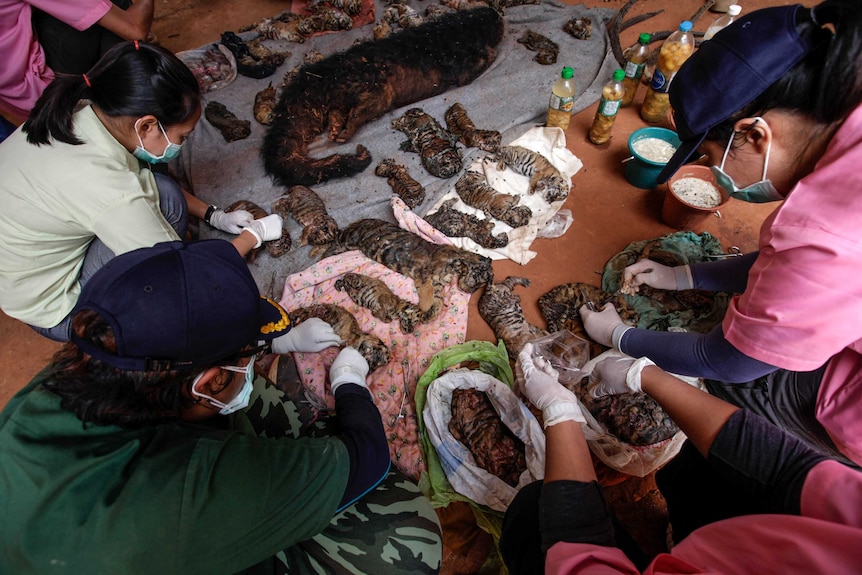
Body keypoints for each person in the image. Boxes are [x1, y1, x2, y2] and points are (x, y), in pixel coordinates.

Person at [0, 239, 443, 574]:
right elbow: (367, 459)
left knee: (248, 407)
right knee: (413, 534)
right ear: (207, 381)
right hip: (158, 537)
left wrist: (274, 340)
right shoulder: (185, 496)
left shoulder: (75, 372)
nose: (253, 362)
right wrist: (349, 383)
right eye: (246, 358)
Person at [578, 0, 862, 465]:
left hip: (851, 408)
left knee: (735, 417)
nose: (711, 170)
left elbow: (728, 361)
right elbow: (789, 266)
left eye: (709, 157)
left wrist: (622, 338)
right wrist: (688, 277)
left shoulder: (826, 235)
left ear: (755, 136)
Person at [0, 40, 281, 342]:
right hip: (60, 308)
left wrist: (215, 216)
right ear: (146, 126)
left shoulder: (87, 108)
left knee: (165, 193)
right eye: (182, 136)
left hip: (25, 265)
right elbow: (186, 276)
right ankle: (110, 328)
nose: (182, 144)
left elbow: (142, 186)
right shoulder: (107, 188)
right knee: (179, 300)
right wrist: (253, 236)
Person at [499, 344, 862, 574]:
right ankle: (685, 535)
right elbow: (787, 470)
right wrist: (642, 374)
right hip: (743, 545)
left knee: (535, 513)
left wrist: (560, 409)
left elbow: (580, 544)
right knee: (711, 465)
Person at [0, 0, 154, 125]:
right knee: (113, 6)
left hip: (16, 97)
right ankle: (125, 105)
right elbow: (135, 28)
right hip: (45, 90)